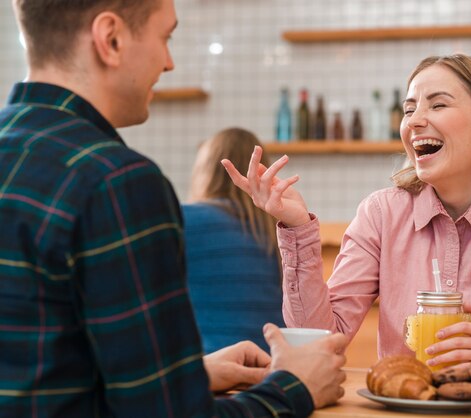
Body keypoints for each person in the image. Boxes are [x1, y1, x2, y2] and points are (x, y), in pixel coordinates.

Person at [0, 1, 348, 417]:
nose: (169, 63)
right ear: (110, 38)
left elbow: (45, 371)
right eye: (166, 37)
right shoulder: (117, 181)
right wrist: (294, 387)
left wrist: (189, 374)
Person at [223, 54, 471, 369]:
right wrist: (296, 226)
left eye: (438, 105)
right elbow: (320, 340)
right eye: (409, 110)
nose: (415, 121)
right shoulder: (382, 214)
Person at [183, 128, 285, 354]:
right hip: (273, 365)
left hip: (211, 365)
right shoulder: (276, 230)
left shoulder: (183, 220)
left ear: (204, 171)